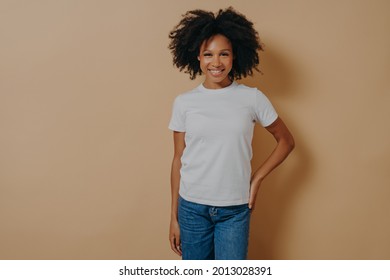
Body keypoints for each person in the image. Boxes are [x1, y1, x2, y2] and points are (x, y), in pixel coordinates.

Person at [167, 7, 295, 260]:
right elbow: (178, 159)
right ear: (198, 58)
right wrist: (173, 217)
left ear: (235, 56)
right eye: (208, 54)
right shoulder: (184, 103)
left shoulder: (252, 98)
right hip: (191, 207)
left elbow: (286, 142)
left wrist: (257, 178)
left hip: (235, 209)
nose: (216, 62)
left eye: (223, 54)